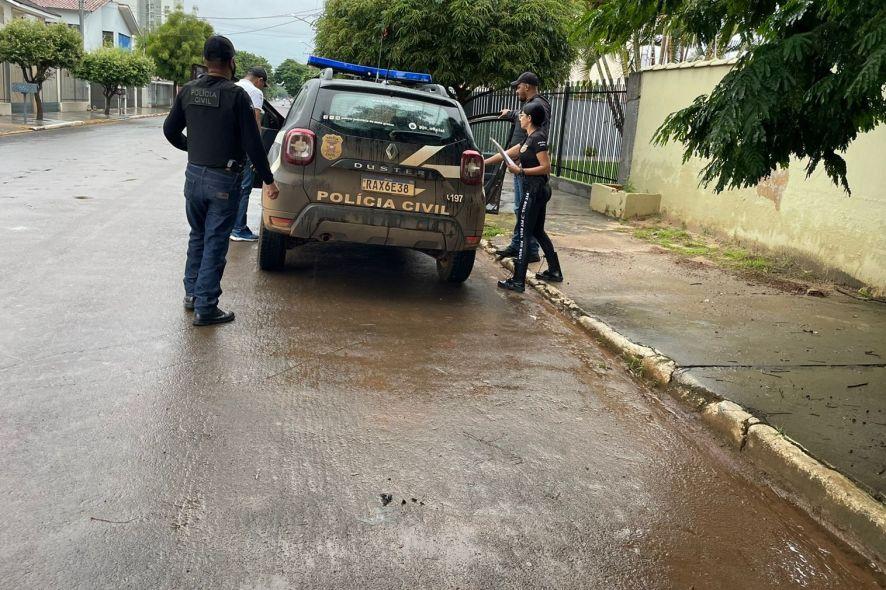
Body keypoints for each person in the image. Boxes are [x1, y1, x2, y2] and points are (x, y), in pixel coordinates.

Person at [163, 36, 279, 326]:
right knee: (215, 242)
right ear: (231, 62)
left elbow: (170, 130)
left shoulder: (188, 91)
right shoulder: (236, 96)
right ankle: (206, 307)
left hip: (194, 176)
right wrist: (268, 180)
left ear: (205, 61)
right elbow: (252, 143)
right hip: (223, 181)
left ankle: (192, 295)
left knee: (197, 236)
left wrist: (193, 148)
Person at [484, 101, 562, 293]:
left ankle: (518, 280)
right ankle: (554, 270)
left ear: (529, 118)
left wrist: (521, 171)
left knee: (525, 233)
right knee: (537, 231)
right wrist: (483, 162)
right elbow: (507, 154)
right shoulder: (530, 138)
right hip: (536, 190)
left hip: (534, 191)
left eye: (522, 115)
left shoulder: (538, 138)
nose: (519, 117)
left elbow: (546, 167)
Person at [495, 71, 551, 262]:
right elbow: (523, 118)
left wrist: (523, 155)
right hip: (520, 164)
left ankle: (529, 250)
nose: (516, 91)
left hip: (528, 168)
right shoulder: (530, 106)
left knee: (525, 211)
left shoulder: (539, 105)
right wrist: (510, 113)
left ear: (527, 86)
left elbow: (536, 133)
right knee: (520, 209)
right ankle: (518, 245)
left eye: (518, 87)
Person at [231, 66, 268, 242]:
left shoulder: (233, 87)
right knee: (244, 188)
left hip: (228, 146)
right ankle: (238, 229)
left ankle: (230, 225)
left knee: (230, 187)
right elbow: (255, 122)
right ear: (259, 80)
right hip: (245, 147)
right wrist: (257, 151)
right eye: (263, 84)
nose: (262, 88)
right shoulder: (255, 92)